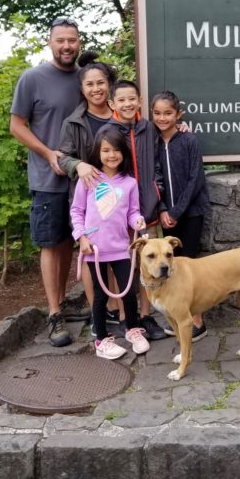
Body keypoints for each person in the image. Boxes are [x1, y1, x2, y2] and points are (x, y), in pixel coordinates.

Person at [9, 16, 90, 347]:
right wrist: (48, 154)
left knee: (67, 242)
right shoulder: (32, 79)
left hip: (81, 179)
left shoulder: (86, 78)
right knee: (49, 244)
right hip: (47, 178)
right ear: (50, 42)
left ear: (79, 42)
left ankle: (65, 305)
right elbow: (17, 125)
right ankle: (54, 313)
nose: (67, 46)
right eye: (61, 40)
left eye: (72, 40)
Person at [70, 126, 149, 360]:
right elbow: (77, 211)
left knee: (128, 292)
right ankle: (101, 340)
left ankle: (132, 329)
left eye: (116, 150)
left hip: (121, 249)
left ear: (123, 153)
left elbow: (133, 213)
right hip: (94, 250)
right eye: (106, 150)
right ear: (98, 152)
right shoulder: (88, 179)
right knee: (101, 294)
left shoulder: (129, 183)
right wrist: (81, 237)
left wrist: (139, 222)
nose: (111, 155)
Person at [57, 59, 120, 330]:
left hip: (120, 194)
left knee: (118, 251)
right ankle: (98, 310)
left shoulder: (122, 115)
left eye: (101, 83)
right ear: (82, 89)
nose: (96, 89)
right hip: (89, 197)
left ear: (109, 85)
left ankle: (118, 308)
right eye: (90, 84)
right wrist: (78, 165)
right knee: (90, 251)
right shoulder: (74, 122)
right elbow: (62, 158)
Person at [107, 79, 169, 341]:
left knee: (148, 264)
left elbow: (158, 165)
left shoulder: (149, 128)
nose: (127, 104)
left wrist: (159, 197)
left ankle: (145, 316)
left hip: (149, 210)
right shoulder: (107, 131)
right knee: (123, 268)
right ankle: (125, 318)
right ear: (112, 104)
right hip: (119, 214)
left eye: (131, 98)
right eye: (121, 100)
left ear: (140, 101)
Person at [152, 90, 211, 340]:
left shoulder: (188, 140)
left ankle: (198, 322)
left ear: (179, 114)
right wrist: (164, 209)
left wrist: (177, 211)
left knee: (189, 263)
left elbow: (195, 179)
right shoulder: (153, 142)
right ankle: (179, 317)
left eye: (168, 113)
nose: (163, 118)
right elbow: (156, 179)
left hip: (191, 212)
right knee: (170, 267)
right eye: (157, 113)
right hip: (167, 215)